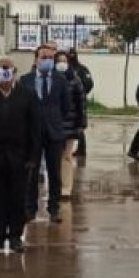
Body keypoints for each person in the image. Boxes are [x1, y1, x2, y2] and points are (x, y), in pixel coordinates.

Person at [0, 57, 42, 255]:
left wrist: (33, 156)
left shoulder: (27, 95)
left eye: (6, 67)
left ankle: (15, 237)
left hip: (20, 156)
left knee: (17, 198)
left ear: (14, 71)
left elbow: (35, 127)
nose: (2, 70)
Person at [20, 44, 70, 223]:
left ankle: (54, 209)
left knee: (54, 173)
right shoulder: (25, 80)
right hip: (32, 134)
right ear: (36, 59)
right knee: (31, 172)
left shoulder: (60, 80)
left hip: (54, 133)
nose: (47, 61)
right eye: (44, 57)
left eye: (50, 58)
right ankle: (30, 209)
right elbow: (22, 106)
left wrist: (55, 121)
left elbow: (66, 106)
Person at [55, 50, 88, 200]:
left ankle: (66, 188)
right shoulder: (50, 79)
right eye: (59, 61)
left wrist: (81, 124)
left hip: (70, 125)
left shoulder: (75, 80)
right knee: (54, 157)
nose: (62, 64)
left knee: (67, 156)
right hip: (53, 125)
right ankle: (55, 185)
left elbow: (82, 104)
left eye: (64, 61)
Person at [67, 48, 94, 157]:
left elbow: (90, 83)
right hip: (69, 101)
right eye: (70, 54)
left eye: (73, 54)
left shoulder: (82, 69)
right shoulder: (66, 68)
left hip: (78, 100)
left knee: (80, 125)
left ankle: (81, 149)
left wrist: (82, 93)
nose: (72, 56)